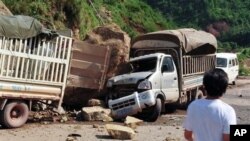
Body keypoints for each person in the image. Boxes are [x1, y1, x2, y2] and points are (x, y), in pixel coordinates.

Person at [183, 68, 237, 141]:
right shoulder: (228, 111)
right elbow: (227, 138)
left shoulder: (193, 106)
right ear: (225, 88)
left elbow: (187, 135)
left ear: (204, 86)